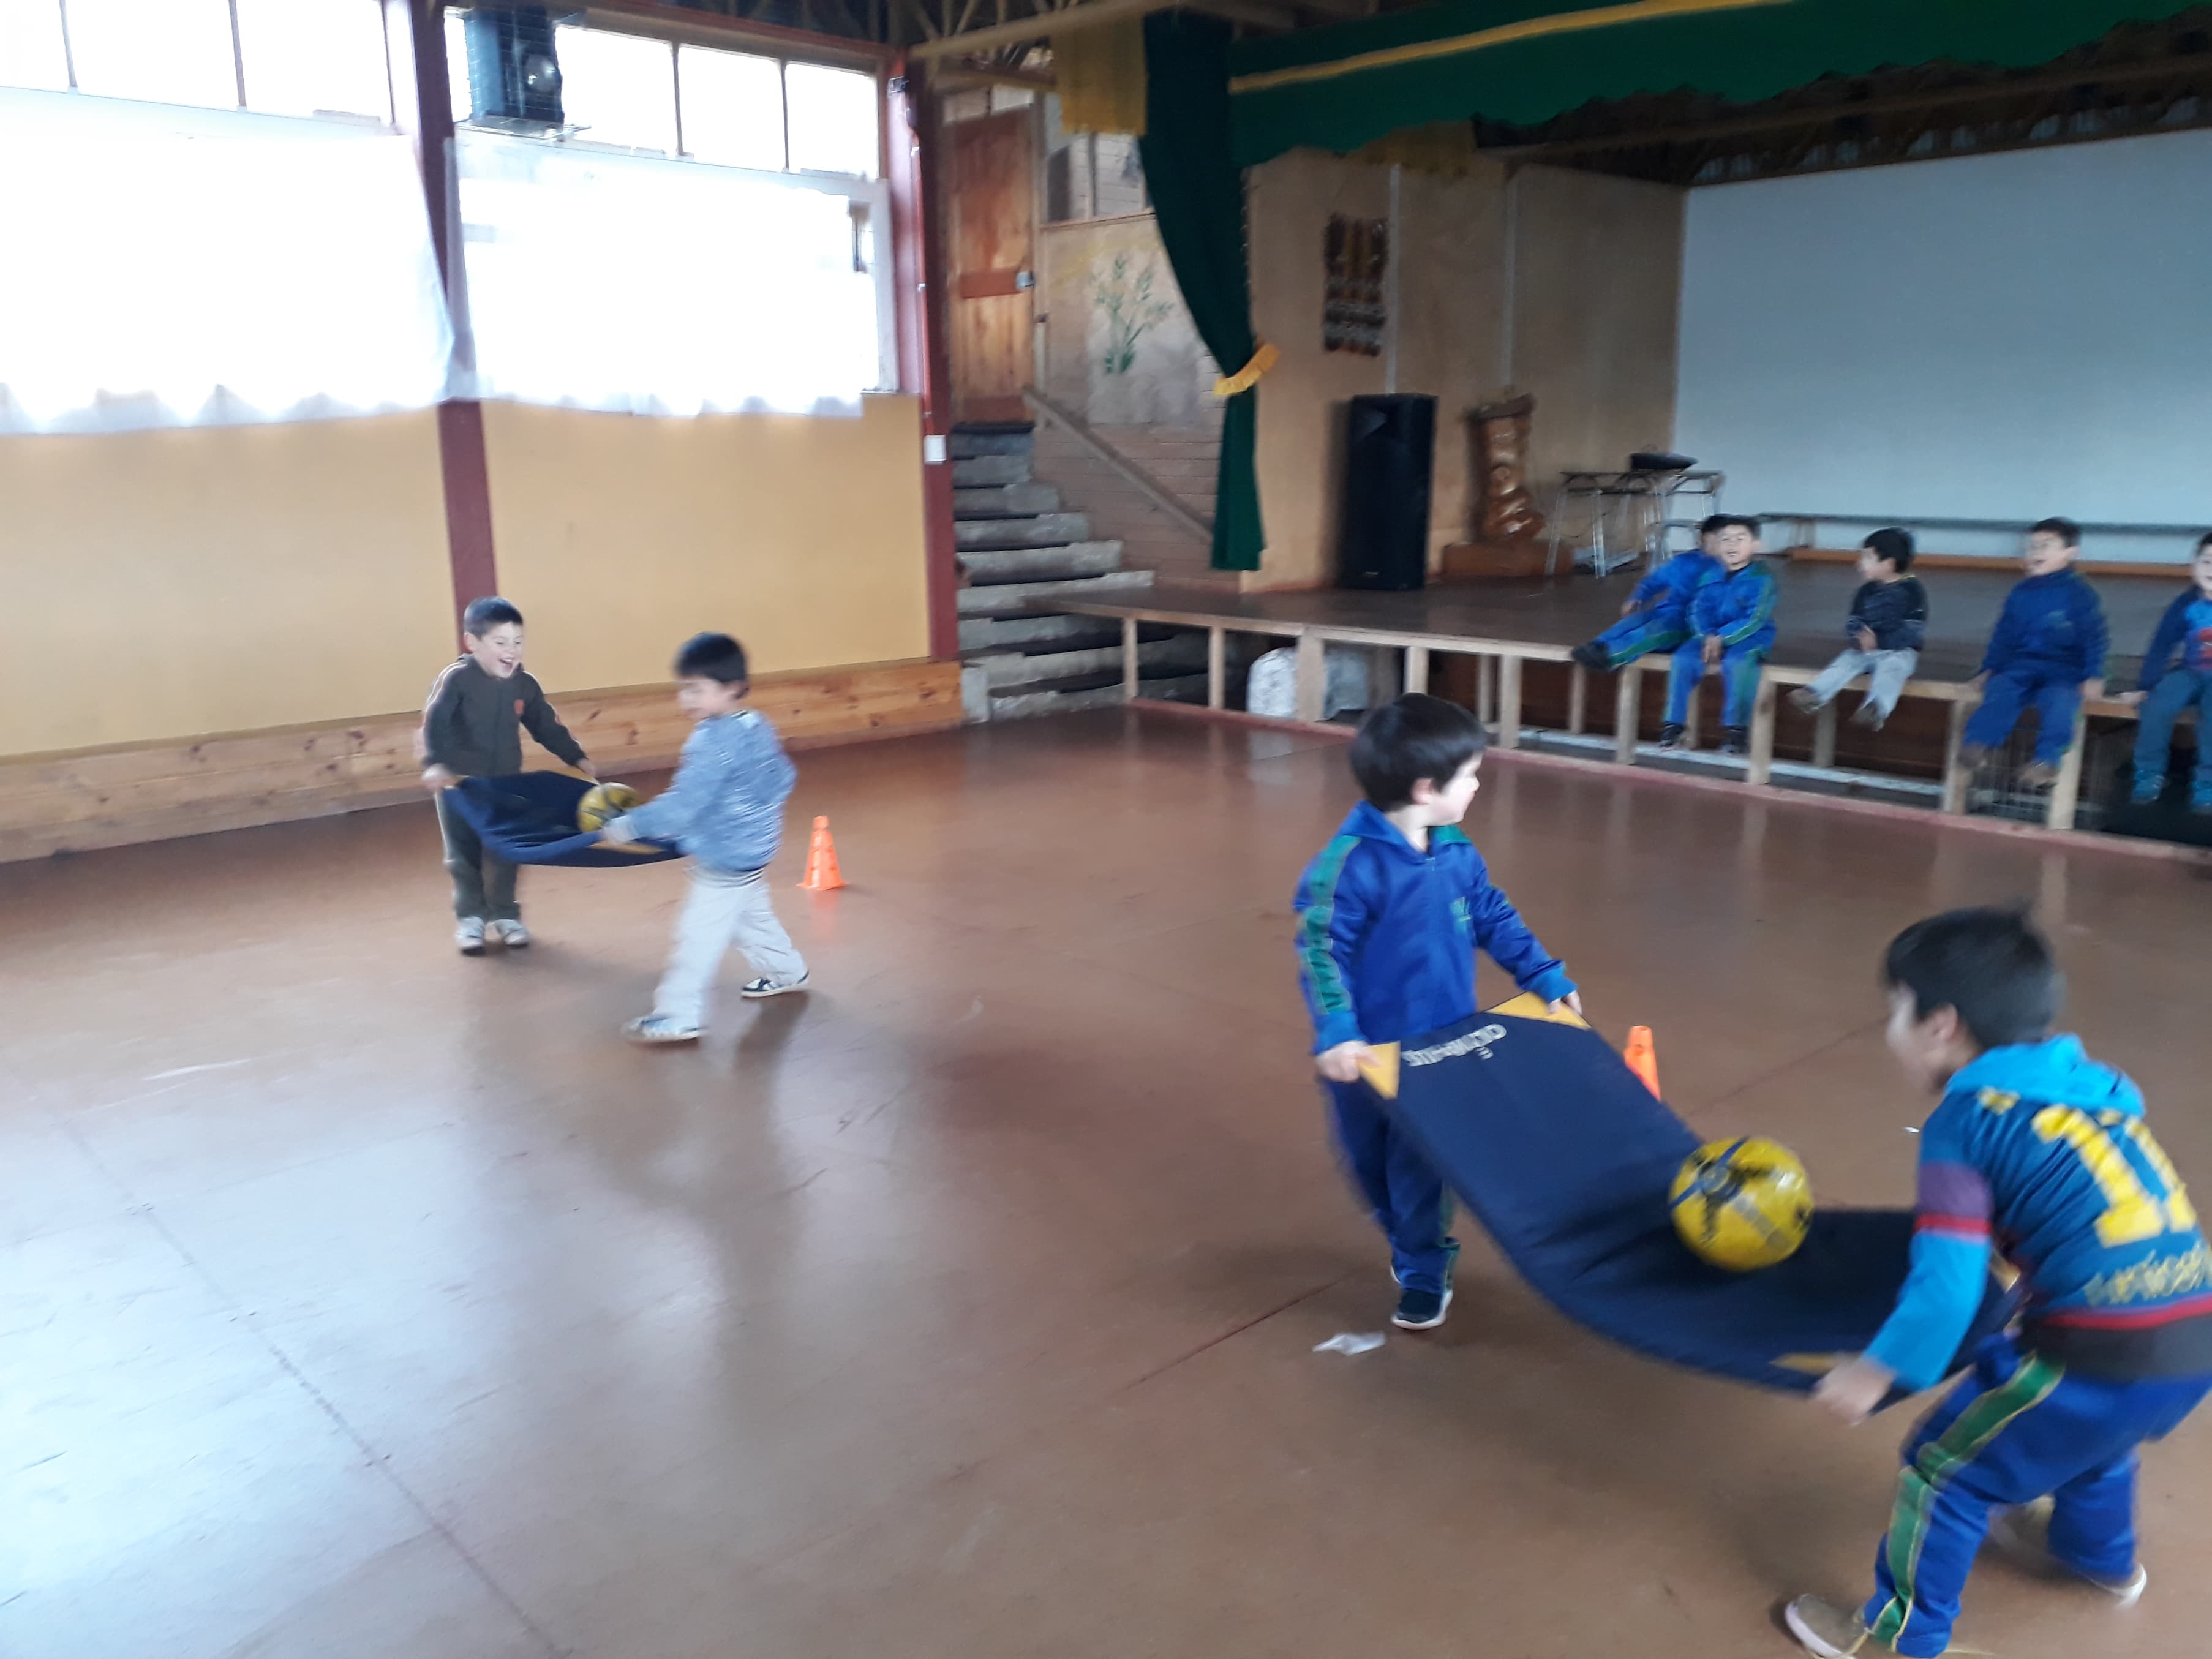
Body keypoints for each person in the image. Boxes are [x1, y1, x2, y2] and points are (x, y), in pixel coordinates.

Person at [1785, 908, 2212, 1659]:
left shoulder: (1967, 1122)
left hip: (2096, 1348)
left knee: (1942, 1470)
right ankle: (2098, 1557)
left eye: (1896, 1011)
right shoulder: (2096, 1088)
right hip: (2193, 1332)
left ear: (1941, 1025)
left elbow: (1948, 1288)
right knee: (2096, 1436)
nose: (1890, 1032)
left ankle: (1898, 1638)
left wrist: (1876, 1371)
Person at [1293, 694, 1582, 1332]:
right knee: (1369, 1167)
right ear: (1427, 789)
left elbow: (1493, 916)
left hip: (1440, 1051)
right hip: (1363, 1056)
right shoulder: (1349, 867)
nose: (1478, 785)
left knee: (1420, 1168)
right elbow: (1320, 951)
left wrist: (1542, 973)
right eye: (1470, 775)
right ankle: (1404, 1236)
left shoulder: (1456, 853)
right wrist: (1338, 1030)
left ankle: (1425, 1264)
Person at [595, 632, 809, 1045]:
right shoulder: (757, 724)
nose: (686, 699)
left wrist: (630, 825)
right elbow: (783, 777)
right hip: (755, 849)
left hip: (725, 858)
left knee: (697, 937)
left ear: (731, 688)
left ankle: (678, 1015)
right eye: (683, 689)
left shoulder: (711, 741)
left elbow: (683, 806)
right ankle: (787, 972)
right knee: (751, 920)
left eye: (696, 689)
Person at [419, 596, 592, 955]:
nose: (511, 651)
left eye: (518, 642)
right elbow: (434, 722)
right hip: (458, 786)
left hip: (505, 783)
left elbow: (546, 724)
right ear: (473, 642)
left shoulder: (524, 684)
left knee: (505, 851)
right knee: (463, 854)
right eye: (501, 642)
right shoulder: (456, 679)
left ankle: (505, 914)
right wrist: (435, 763)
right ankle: (471, 918)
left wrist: (575, 755)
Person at [1961, 518, 2107, 789]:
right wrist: (1989, 669)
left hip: (2065, 670)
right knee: (2001, 689)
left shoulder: (2081, 594)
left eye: (2046, 546)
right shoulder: (2020, 592)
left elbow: (2094, 638)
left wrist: (2094, 675)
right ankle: (1978, 744)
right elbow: (2003, 635)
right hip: (2022, 664)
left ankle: (2047, 761)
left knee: (2060, 701)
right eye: (2033, 546)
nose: (2036, 552)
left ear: (2070, 552)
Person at [1789, 529, 1928, 732]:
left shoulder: (1912, 591)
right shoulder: (1865, 591)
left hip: (1900, 651)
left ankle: (1876, 709)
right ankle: (1814, 694)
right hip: (1865, 649)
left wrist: (1880, 641)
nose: (1860, 564)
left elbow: (1913, 630)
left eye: (1867, 558)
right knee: (1844, 663)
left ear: (1889, 563)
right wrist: (1858, 636)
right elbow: (1854, 619)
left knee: (1892, 671)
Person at [1660, 514, 1775, 755]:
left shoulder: (1762, 579)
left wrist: (1721, 638)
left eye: (1740, 539)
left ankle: (1736, 730)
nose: (1732, 545)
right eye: (1725, 539)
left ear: (1756, 545)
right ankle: (1673, 724)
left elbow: (1754, 618)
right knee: (1683, 659)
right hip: (1709, 637)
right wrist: (1707, 635)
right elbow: (1697, 609)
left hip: (1749, 637)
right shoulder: (1710, 574)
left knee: (1738, 663)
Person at [2118, 531, 2212, 810]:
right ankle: (2148, 774)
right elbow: (2162, 645)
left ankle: (2207, 783)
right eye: (2207, 562)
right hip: (2191, 672)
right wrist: (2145, 687)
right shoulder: (2186, 604)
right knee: (2157, 705)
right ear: (2194, 564)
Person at [1569, 513, 1728, 675]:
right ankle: (1596, 646)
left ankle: (1611, 655)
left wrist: (1710, 633)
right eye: (1711, 537)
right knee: (1633, 621)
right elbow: (1656, 580)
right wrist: (1638, 596)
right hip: (1666, 611)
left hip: (1689, 625)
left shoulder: (1725, 570)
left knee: (1651, 632)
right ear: (1701, 539)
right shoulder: (1684, 561)